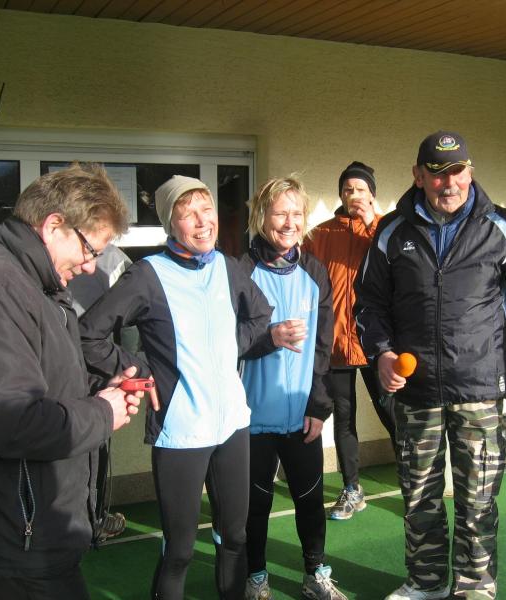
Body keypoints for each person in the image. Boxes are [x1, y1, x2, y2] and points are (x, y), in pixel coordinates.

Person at [354, 131, 506, 600]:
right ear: (418, 176)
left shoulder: (501, 227)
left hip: (478, 388)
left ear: (470, 172)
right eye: (437, 173)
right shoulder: (392, 231)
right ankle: (426, 582)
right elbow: (368, 303)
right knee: (419, 497)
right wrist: (383, 352)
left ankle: (474, 586)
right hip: (415, 391)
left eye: (457, 171)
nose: (448, 183)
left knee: (478, 499)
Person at [0, 163, 141, 600]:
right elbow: (12, 423)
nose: (90, 267)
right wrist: (103, 413)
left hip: (29, 527)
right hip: (13, 538)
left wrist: (100, 390)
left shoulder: (33, 283)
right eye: (90, 249)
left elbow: (44, 381)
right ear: (53, 225)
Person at [79, 175, 273, 600]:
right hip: (181, 431)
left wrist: (228, 346)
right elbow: (88, 334)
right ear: (170, 224)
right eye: (188, 215)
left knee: (235, 537)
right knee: (180, 551)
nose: (202, 222)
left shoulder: (228, 267)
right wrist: (137, 370)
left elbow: (260, 316)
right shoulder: (148, 275)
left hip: (233, 426)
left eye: (207, 210)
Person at [239, 176, 346, 600]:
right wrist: (269, 338)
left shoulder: (314, 271)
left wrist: (319, 406)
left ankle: (315, 573)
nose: (289, 222)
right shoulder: (239, 271)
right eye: (280, 213)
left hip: (302, 414)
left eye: (296, 213)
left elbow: (324, 348)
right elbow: (226, 342)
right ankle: (256, 577)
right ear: (260, 216)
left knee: (310, 499)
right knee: (256, 506)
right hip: (251, 418)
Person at [303, 161, 392, 521]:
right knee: (343, 418)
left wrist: (372, 224)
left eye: (360, 189)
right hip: (337, 344)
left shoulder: (386, 230)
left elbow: (398, 267)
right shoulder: (320, 234)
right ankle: (352, 489)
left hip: (377, 343)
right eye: (347, 189)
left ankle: (416, 480)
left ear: (372, 194)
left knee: (392, 412)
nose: (353, 195)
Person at [70, 243, 135, 542]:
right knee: (93, 443)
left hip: (77, 363)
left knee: (84, 441)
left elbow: (131, 320)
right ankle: (92, 520)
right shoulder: (114, 257)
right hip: (91, 365)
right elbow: (131, 325)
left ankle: (89, 518)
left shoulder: (113, 258)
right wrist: (128, 366)